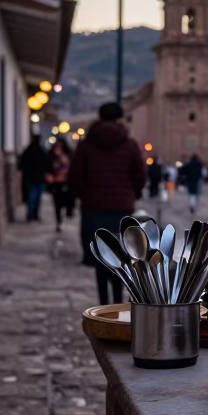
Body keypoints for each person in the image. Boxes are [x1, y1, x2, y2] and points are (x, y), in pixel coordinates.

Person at [69, 102, 146, 305]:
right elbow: (140, 175)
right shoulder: (130, 145)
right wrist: (131, 194)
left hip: (93, 209)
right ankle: (118, 302)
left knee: (99, 258)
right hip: (121, 209)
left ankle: (103, 305)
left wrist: (85, 196)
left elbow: (75, 178)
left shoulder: (85, 145)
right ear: (120, 119)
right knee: (120, 257)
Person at [18, 134, 48, 222]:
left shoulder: (28, 151)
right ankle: (33, 214)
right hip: (36, 178)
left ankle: (32, 214)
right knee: (35, 197)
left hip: (32, 178)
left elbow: (21, 165)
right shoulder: (41, 151)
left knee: (33, 197)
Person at [45, 138, 73, 232]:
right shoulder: (50, 157)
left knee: (66, 201)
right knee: (57, 204)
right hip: (56, 184)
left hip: (66, 183)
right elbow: (47, 169)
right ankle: (58, 221)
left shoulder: (67, 156)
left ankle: (68, 213)